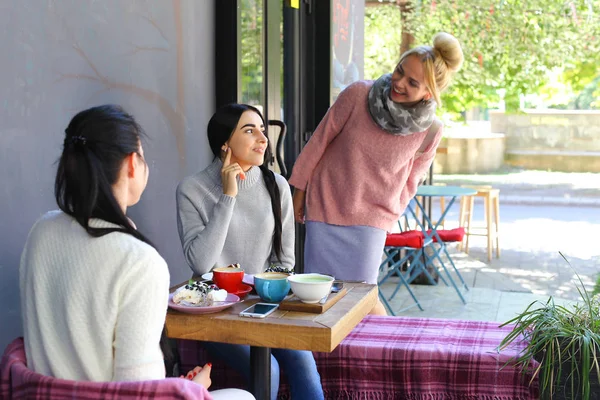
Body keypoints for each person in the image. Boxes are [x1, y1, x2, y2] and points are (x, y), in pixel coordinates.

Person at [19, 104, 253, 400]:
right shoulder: (138, 261)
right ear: (132, 164)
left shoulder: (41, 232)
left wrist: (172, 385)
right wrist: (190, 391)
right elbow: (137, 392)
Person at [289, 32, 464, 316]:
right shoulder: (358, 94)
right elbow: (318, 142)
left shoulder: (431, 129)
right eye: (399, 71)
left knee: (362, 300)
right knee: (317, 299)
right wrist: (299, 191)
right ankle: (322, 360)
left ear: (428, 93)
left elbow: (413, 180)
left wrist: (390, 213)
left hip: (372, 220)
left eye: (412, 82)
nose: (399, 82)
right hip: (326, 206)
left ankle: (379, 355)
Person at [176, 103, 324, 400]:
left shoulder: (276, 185)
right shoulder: (191, 189)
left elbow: (285, 261)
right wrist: (228, 196)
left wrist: (267, 293)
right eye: (249, 130)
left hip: (265, 301)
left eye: (262, 129)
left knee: (303, 362)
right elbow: (201, 262)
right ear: (225, 143)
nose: (263, 137)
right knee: (268, 369)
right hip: (213, 307)